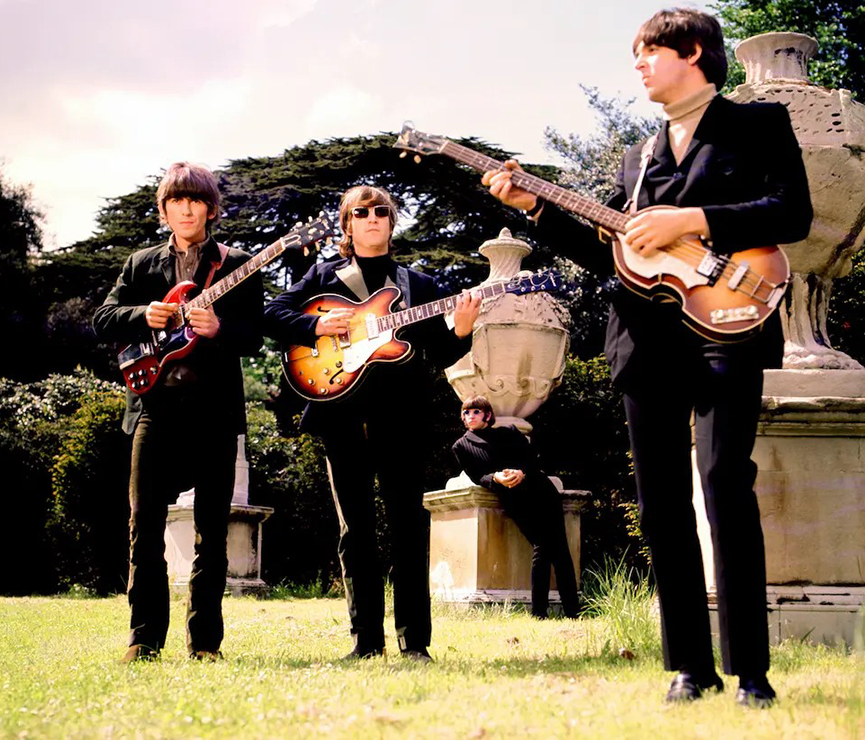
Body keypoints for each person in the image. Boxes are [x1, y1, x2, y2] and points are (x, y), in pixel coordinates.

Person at [481, 8, 812, 707]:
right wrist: (534, 209)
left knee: (725, 485)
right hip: (643, 342)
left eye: (647, 52)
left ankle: (752, 672)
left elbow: (792, 213)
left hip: (730, 328)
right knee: (661, 507)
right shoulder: (637, 158)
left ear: (691, 50)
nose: (637, 66)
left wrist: (696, 220)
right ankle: (691, 667)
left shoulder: (757, 125)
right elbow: (602, 255)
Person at [262, 185, 481, 661]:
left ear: (391, 221)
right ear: (348, 224)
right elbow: (271, 313)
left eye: (381, 211)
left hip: (402, 420)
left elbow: (441, 352)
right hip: (338, 416)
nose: (372, 217)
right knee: (354, 532)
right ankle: (365, 642)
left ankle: (415, 643)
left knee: (408, 530)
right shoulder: (323, 275)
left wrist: (462, 327)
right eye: (361, 212)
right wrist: (316, 326)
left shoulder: (416, 285)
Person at [94, 162, 264, 663]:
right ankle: (143, 638)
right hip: (154, 408)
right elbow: (104, 319)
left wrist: (219, 330)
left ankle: (205, 643)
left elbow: (256, 335)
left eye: (195, 200)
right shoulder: (140, 264)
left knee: (212, 532)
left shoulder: (239, 265)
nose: (185, 209)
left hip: (214, 412)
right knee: (143, 525)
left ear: (211, 209)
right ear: (164, 209)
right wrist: (141, 314)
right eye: (176, 201)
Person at [452, 395, 579, 619]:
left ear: (487, 415)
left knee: (559, 549)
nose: (470, 416)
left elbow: (532, 459)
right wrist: (497, 478)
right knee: (542, 546)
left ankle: (571, 611)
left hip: (542, 491)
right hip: (515, 500)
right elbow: (477, 476)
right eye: (466, 413)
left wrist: (521, 472)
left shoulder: (508, 432)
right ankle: (539, 612)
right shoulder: (461, 446)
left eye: (476, 412)